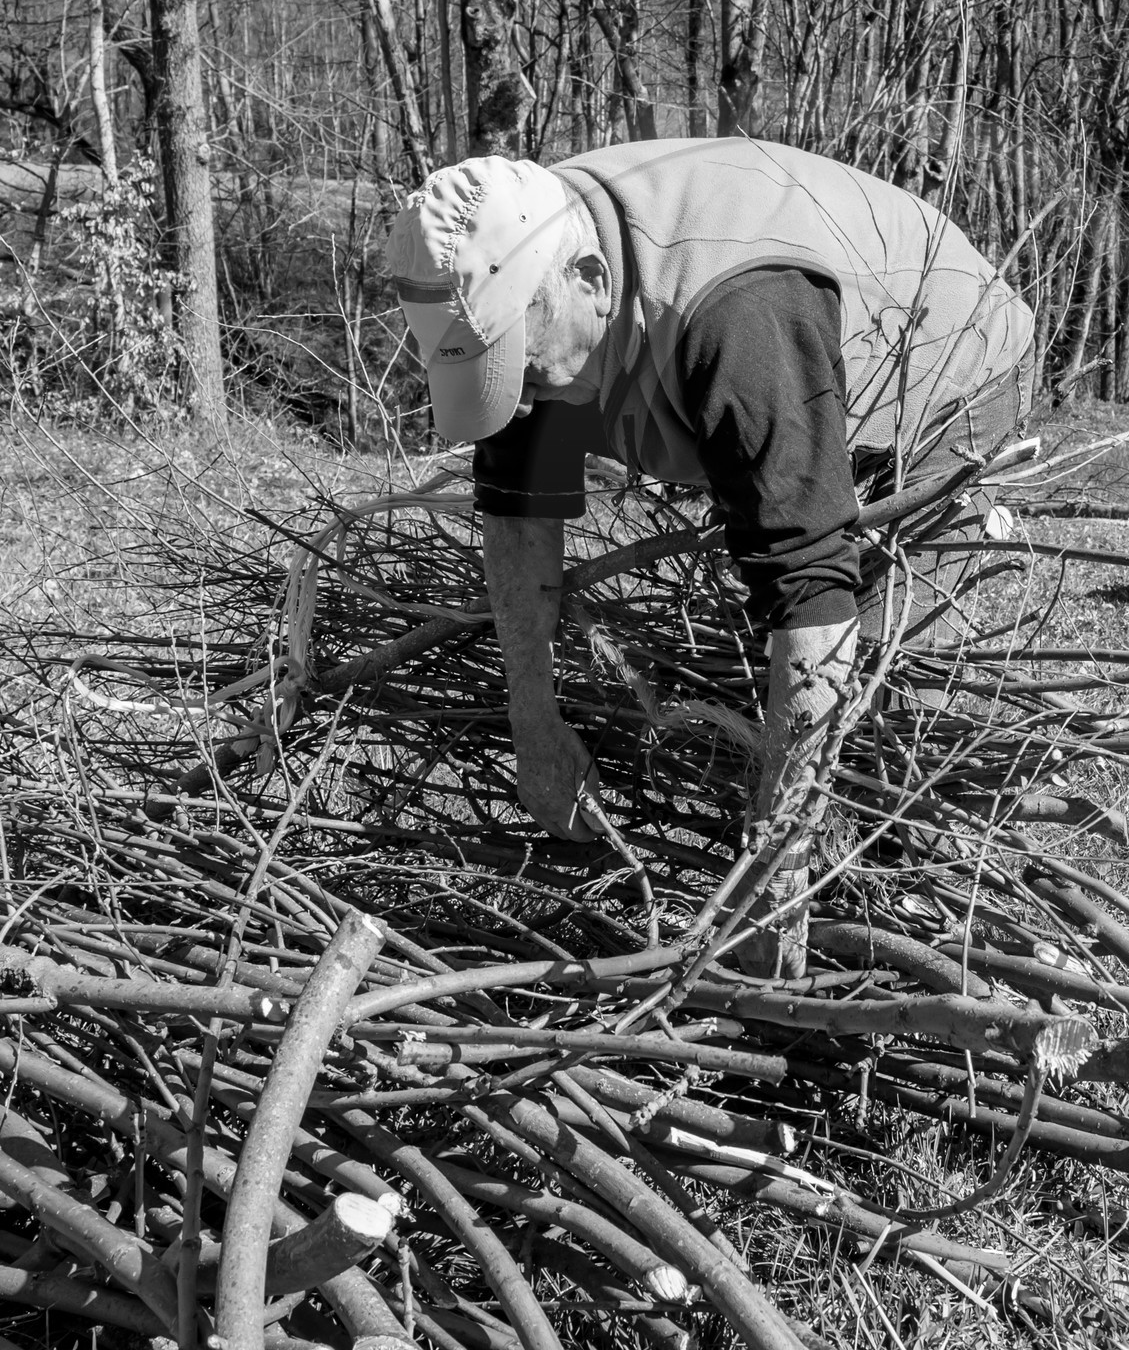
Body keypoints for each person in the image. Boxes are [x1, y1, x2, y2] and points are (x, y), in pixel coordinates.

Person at [385, 138, 1035, 974]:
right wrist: (534, 726)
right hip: (754, 353)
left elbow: (810, 589)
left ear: (590, 281)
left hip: (938, 364)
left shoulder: (737, 319)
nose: (522, 396)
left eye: (524, 364)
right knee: (775, 634)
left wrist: (778, 857)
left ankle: (890, 901)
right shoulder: (520, 269)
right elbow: (517, 518)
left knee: (867, 666)